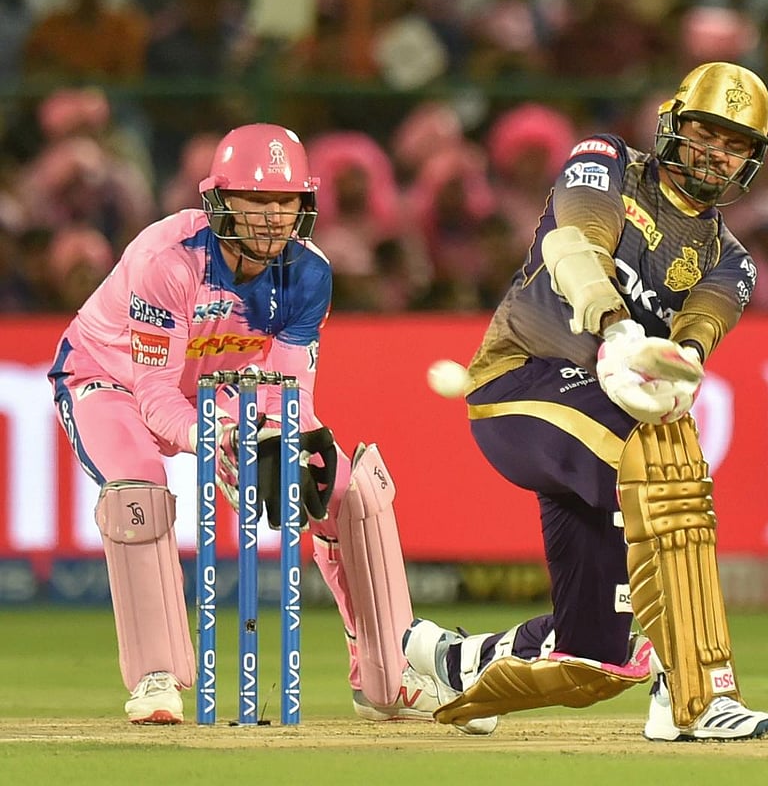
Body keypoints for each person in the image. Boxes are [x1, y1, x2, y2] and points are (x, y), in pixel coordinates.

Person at [46, 123, 493, 734]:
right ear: (219, 201)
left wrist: (293, 448)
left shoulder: (309, 275)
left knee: (348, 488)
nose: (270, 218)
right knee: (137, 489)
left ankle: (388, 675)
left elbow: (291, 395)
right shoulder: (167, 259)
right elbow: (153, 399)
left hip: (219, 384)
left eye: (285, 202)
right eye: (255, 202)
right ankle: (156, 676)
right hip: (111, 377)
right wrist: (226, 440)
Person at [402, 62, 768, 742]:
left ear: (752, 159)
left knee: (595, 647)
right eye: (705, 131)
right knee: (667, 466)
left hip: (604, 415)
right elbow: (572, 242)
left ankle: (457, 661)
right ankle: (693, 691)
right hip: (521, 381)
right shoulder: (605, 160)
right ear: (671, 124)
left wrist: (676, 366)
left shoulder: (732, 260)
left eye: (736, 143)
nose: (716, 153)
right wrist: (616, 327)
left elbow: (697, 340)